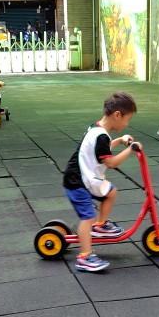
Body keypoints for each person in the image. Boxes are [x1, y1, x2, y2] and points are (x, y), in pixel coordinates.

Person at [61, 92, 139, 272]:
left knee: (111, 192)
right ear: (117, 115)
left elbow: (102, 149)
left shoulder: (97, 128)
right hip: (78, 181)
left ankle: (100, 225)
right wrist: (131, 150)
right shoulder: (101, 136)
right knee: (87, 217)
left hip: (83, 176)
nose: (127, 124)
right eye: (127, 119)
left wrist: (120, 140)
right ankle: (84, 256)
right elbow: (110, 163)